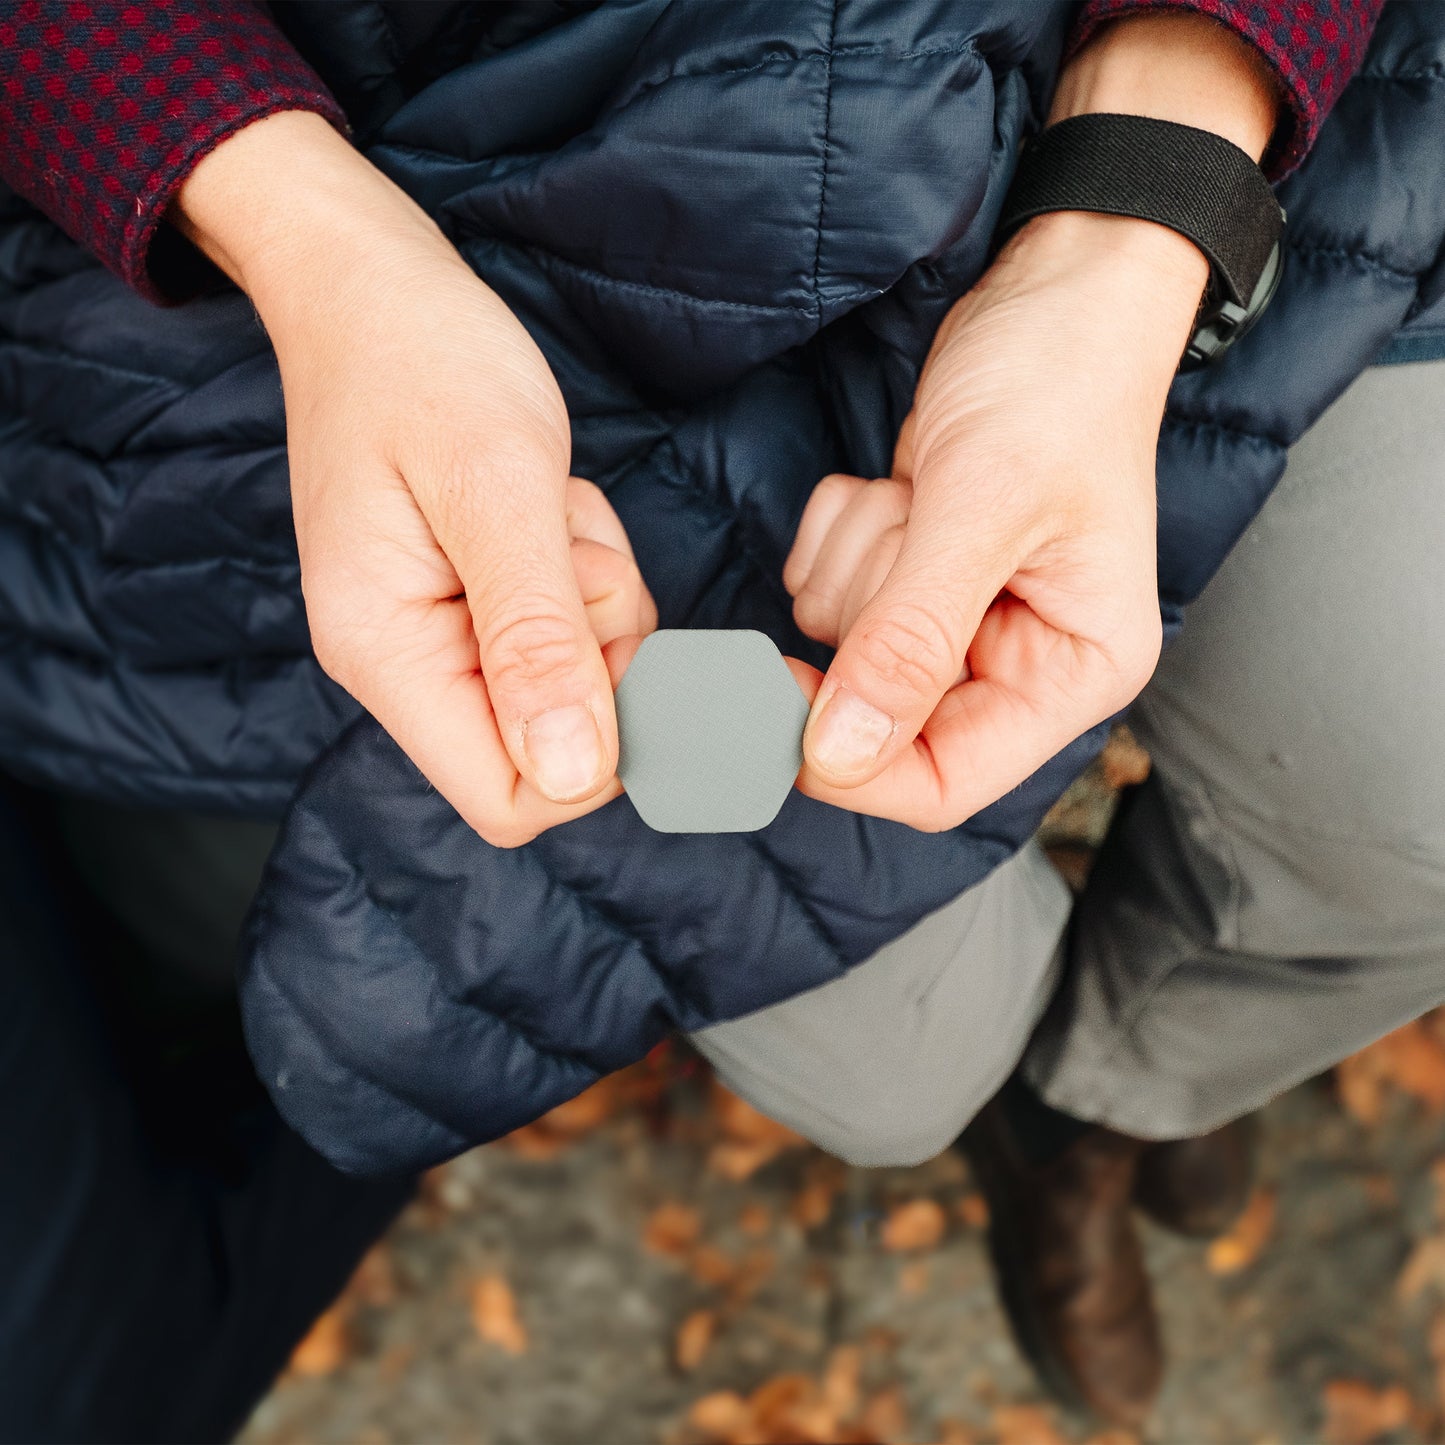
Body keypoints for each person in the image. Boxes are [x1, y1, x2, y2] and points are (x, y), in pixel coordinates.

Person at [0, 0, 1428, 1437]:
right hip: (389, 198)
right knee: (900, 1074)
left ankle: (1114, 1098)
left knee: (1409, 803)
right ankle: (1034, 1116)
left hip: (1220, 132)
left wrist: (1143, 198)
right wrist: (303, 232)